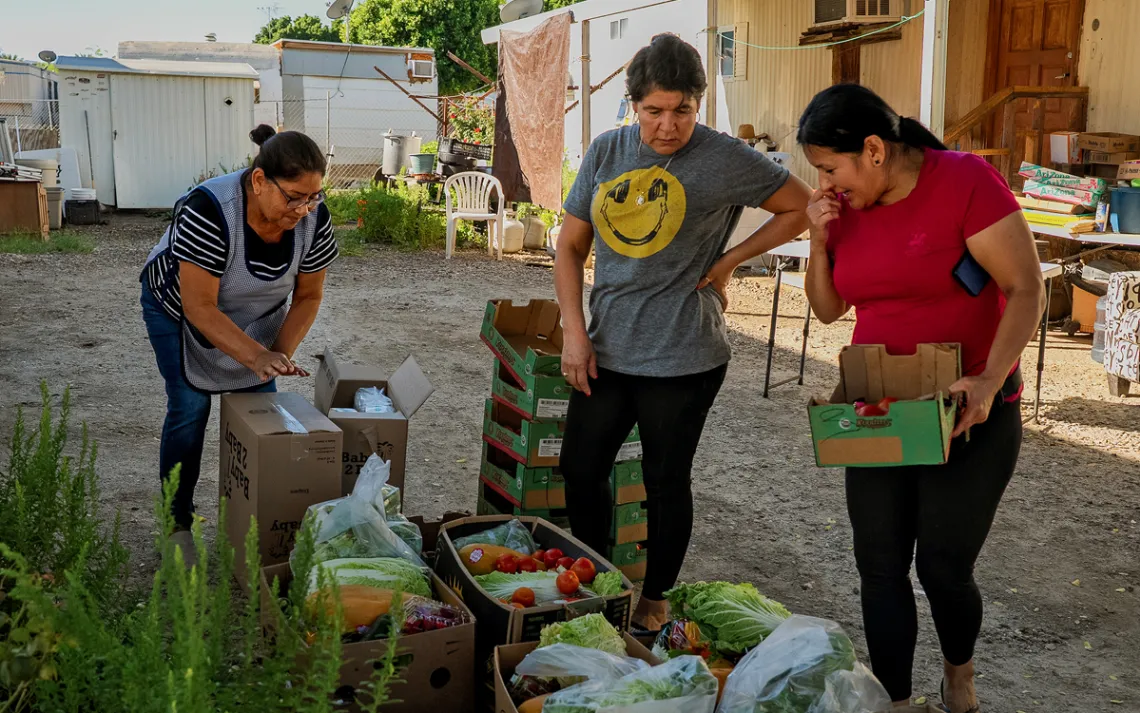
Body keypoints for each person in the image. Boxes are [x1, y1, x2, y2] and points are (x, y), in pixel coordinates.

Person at [797, 85, 1045, 713]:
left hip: (970, 410)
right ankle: (898, 703)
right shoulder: (844, 208)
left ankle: (958, 675)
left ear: (874, 149)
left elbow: (1025, 289)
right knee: (878, 565)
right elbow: (828, 311)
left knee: (941, 565)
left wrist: (990, 379)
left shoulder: (965, 183)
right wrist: (818, 242)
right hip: (880, 407)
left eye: (830, 167)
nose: (825, 183)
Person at [555, 34, 812, 633]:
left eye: (682, 111)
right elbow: (569, 245)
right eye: (654, 111)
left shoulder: (722, 157)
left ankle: (654, 597)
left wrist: (727, 262)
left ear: (699, 105)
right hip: (608, 346)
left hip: (685, 355)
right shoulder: (606, 152)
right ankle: (598, 581)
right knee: (579, 466)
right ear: (632, 105)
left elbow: (802, 205)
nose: (668, 126)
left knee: (664, 480)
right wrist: (574, 331)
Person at [140, 125, 338, 565]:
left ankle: (250, 525)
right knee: (190, 407)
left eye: (314, 197)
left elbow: (308, 296)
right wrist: (257, 355)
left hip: (254, 315)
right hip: (178, 309)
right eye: (293, 197)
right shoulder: (209, 210)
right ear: (259, 180)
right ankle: (176, 522)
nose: (303, 209)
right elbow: (201, 309)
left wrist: (277, 357)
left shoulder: (313, 220)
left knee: (259, 416)